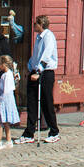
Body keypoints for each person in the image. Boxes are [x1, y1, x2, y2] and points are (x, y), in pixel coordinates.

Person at [23, 15, 61, 144]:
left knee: (46, 102)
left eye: (36, 24)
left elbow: (47, 54)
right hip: (35, 71)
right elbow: (36, 55)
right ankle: (29, 133)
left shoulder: (48, 36)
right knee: (32, 102)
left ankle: (54, 131)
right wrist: (30, 66)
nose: (34, 26)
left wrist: (39, 70)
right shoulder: (38, 38)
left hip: (45, 72)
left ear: (41, 25)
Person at [0, 56, 20, 147]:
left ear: (3, 64)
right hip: (9, 99)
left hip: (4, 100)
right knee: (6, 122)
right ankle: (8, 140)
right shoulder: (9, 74)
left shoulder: (5, 75)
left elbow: (5, 90)